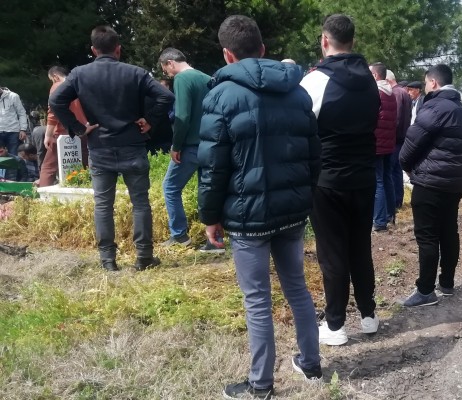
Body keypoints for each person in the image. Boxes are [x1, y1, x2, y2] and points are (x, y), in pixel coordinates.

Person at [196, 15, 322, 399]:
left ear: (227, 54)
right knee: (297, 287)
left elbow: (212, 166)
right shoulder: (297, 93)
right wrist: (305, 197)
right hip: (292, 211)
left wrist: (209, 216)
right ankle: (311, 364)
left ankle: (261, 385)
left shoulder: (220, 96)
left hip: (248, 217)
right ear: (263, 49)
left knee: (257, 300)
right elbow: (314, 156)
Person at [49, 25, 174, 272]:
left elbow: (56, 100)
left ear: (93, 50)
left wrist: (79, 128)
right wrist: (150, 120)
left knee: (103, 205)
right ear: (118, 49)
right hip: (132, 144)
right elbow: (166, 97)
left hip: (100, 146)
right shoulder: (136, 73)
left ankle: (108, 260)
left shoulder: (79, 74)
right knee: (140, 203)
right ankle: (144, 256)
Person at [299, 14, 381, 346]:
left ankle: (334, 326)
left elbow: (301, 131)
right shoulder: (371, 81)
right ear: (353, 41)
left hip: (328, 180)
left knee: (333, 254)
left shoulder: (314, 81)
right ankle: (369, 315)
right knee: (360, 248)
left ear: (324, 40)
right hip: (364, 177)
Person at [399, 64, 462, 307]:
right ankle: (447, 282)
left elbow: (412, 141)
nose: (425, 86)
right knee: (449, 230)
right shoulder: (460, 109)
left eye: (426, 82)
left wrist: (405, 164)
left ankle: (426, 290)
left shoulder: (434, 107)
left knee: (428, 236)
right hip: (455, 179)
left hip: (431, 181)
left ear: (433, 82)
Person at [158, 47, 217, 252]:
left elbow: (182, 116)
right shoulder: (207, 78)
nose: (167, 74)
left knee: (170, 187)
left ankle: (179, 235)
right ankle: (214, 240)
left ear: (170, 63)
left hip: (190, 146)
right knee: (207, 191)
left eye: (165, 70)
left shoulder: (182, 79)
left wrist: (176, 145)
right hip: (210, 144)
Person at [40, 66, 90, 188]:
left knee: (49, 167)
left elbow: (52, 113)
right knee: (83, 165)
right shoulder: (79, 85)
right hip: (83, 131)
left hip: (62, 132)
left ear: (55, 77)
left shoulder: (57, 86)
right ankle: (83, 191)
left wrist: (48, 135)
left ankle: (43, 194)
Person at [368, 62, 398, 231]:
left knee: (378, 180)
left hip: (377, 143)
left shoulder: (375, 92)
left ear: (375, 75)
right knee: (387, 178)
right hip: (388, 142)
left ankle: (379, 221)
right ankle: (389, 215)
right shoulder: (390, 92)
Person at [387, 70, 412, 212]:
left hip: (395, 138)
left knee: (391, 171)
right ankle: (398, 200)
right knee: (396, 171)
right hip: (403, 137)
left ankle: (393, 202)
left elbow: (395, 118)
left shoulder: (395, 93)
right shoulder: (404, 93)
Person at [0, 86, 28, 156]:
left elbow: (22, 113)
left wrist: (23, 129)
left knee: (14, 156)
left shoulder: (13, 96)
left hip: (13, 132)